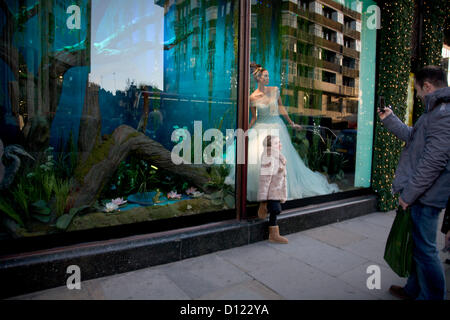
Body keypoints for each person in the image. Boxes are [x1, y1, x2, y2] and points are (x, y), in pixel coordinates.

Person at [378, 66, 450, 300]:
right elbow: (414, 137)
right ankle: (413, 290)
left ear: (427, 86)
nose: (417, 94)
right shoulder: (435, 113)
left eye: (417, 89)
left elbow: (433, 162)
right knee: (419, 249)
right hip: (424, 194)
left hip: (426, 196)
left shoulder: (443, 114)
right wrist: (390, 120)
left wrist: (408, 195)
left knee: (426, 251)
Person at [225, 63, 339, 201]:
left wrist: (291, 123)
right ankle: (262, 193)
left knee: (280, 162)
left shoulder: (274, 90)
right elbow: (254, 117)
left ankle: (280, 191)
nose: (268, 78)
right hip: (261, 127)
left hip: (276, 127)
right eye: (265, 76)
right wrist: (246, 130)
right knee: (258, 162)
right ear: (258, 78)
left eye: (268, 76)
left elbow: (281, 107)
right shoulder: (252, 97)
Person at [257, 135, 288, 244]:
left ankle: (274, 235)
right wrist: (263, 199)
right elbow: (264, 179)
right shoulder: (268, 157)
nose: (280, 144)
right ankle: (274, 235)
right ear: (270, 146)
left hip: (276, 191)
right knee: (275, 210)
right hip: (271, 192)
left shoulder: (277, 156)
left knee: (275, 211)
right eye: (276, 143)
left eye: (279, 142)